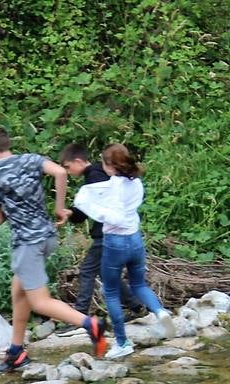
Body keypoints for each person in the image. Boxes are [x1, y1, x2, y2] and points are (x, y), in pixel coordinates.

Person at [0, 126, 108, 371]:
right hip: (47, 236)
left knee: (39, 302)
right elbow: (60, 172)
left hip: (27, 243)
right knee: (19, 292)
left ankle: (90, 324)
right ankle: (16, 352)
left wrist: (9, 207)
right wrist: (60, 209)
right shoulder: (31, 159)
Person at [71, 143, 173, 359]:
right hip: (135, 240)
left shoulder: (113, 186)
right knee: (139, 284)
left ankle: (122, 342)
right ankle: (160, 311)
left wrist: (83, 204)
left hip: (115, 243)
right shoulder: (136, 181)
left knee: (110, 291)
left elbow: (103, 209)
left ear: (110, 165)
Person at [58, 144, 140, 329]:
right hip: (115, 231)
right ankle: (136, 305)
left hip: (107, 233)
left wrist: (73, 212)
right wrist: (72, 212)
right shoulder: (97, 172)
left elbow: (93, 207)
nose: (68, 172)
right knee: (105, 273)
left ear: (78, 161)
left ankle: (79, 317)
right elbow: (90, 207)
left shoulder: (94, 175)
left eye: (68, 167)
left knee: (87, 270)